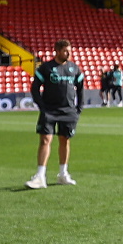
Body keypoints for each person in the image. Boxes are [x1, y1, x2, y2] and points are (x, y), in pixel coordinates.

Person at [27, 40, 82, 189]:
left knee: (65, 140)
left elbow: (80, 88)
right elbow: (35, 89)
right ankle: (40, 176)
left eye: (70, 51)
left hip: (68, 111)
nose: (68, 54)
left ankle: (63, 174)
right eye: (65, 51)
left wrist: (79, 109)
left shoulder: (74, 68)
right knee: (45, 140)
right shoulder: (46, 68)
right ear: (57, 51)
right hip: (49, 110)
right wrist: (42, 106)